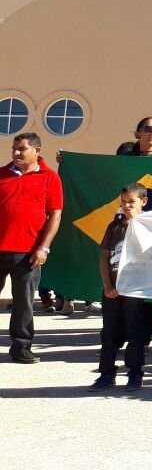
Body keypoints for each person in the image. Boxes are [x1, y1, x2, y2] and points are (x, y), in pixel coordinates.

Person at [0, 133, 63, 363]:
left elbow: (55, 215)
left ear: (36, 150)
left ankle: (21, 346)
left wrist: (43, 248)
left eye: (22, 149)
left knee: (24, 302)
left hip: (28, 252)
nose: (16, 153)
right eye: (14, 148)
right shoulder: (1, 174)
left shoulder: (50, 178)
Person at [90, 183, 152, 391]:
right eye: (123, 202)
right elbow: (104, 257)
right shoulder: (114, 227)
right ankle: (107, 373)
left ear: (143, 202)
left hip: (136, 291)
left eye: (132, 202)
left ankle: (135, 373)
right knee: (109, 333)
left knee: (135, 333)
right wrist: (108, 286)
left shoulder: (150, 227)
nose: (127, 206)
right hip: (113, 290)